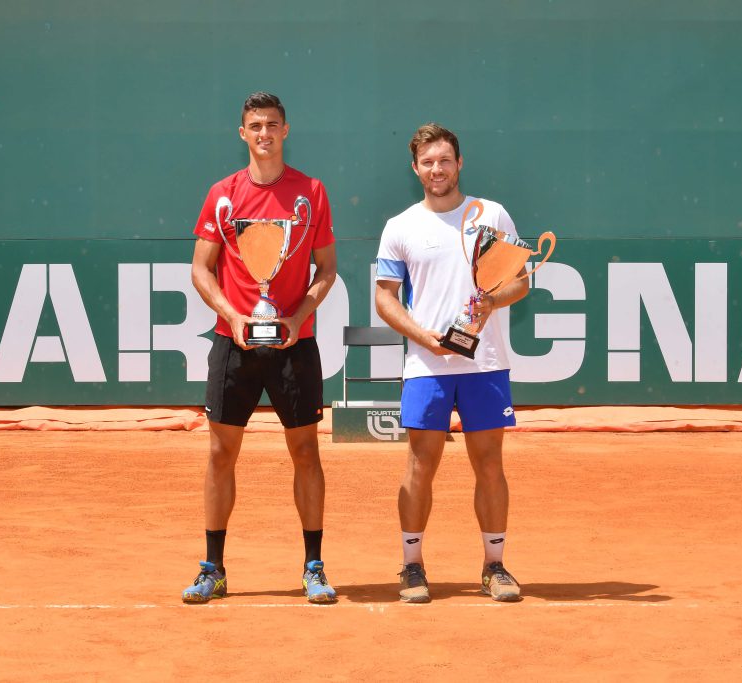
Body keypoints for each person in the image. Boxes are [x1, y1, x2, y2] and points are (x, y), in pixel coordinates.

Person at [183, 92, 338, 604]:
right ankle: (213, 568)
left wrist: (295, 318)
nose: (264, 133)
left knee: (305, 452)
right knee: (220, 451)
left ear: (286, 130)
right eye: (255, 125)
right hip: (235, 343)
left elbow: (327, 269)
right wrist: (234, 316)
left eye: (272, 124)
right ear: (243, 133)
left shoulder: (311, 192)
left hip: (295, 343)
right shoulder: (221, 194)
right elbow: (201, 268)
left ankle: (314, 566)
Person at [374, 123, 528, 603]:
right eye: (427, 162)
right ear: (415, 168)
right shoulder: (400, 226)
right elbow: (385, 299)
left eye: (444, 160)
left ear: (459, 163)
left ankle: (495, 566)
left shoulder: (492, 214)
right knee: (420, 464)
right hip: (427, 366)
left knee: (489, 464)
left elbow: (520, 282)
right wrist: (426, 338)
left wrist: (490, 303)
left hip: (485, 363)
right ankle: (413, 566)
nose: (436, 169)